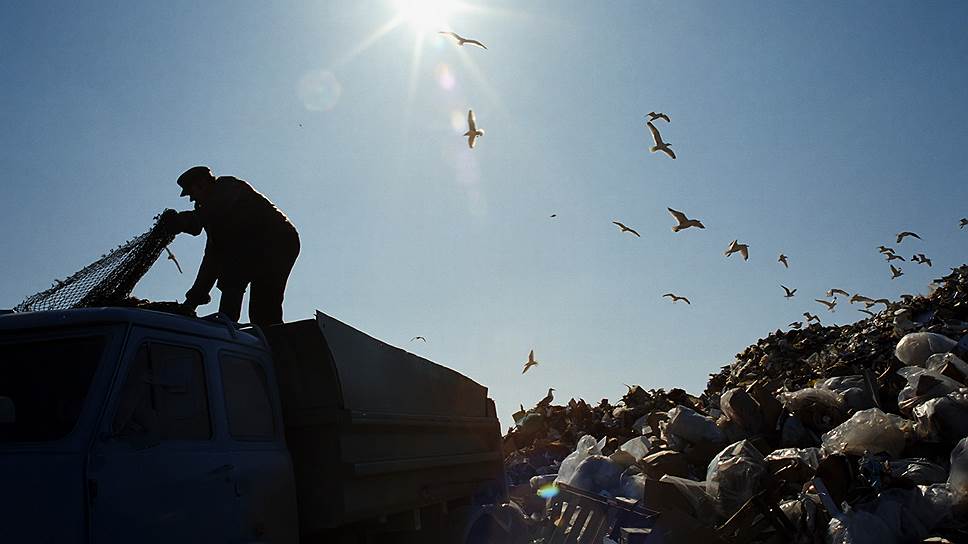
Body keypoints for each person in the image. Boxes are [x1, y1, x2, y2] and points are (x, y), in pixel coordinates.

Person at [160, 166, 299, 327]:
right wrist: (192, 301)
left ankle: (236, 327)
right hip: (250, 248)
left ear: (202, 184)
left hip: (278, 242)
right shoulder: (210, 216)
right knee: (233, 277)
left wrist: (186, 221)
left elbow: (214, 209)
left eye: (191, 193)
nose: (192, 199)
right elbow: (212, 259)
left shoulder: (228, 187)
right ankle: (227, 324)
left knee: (261, 308)